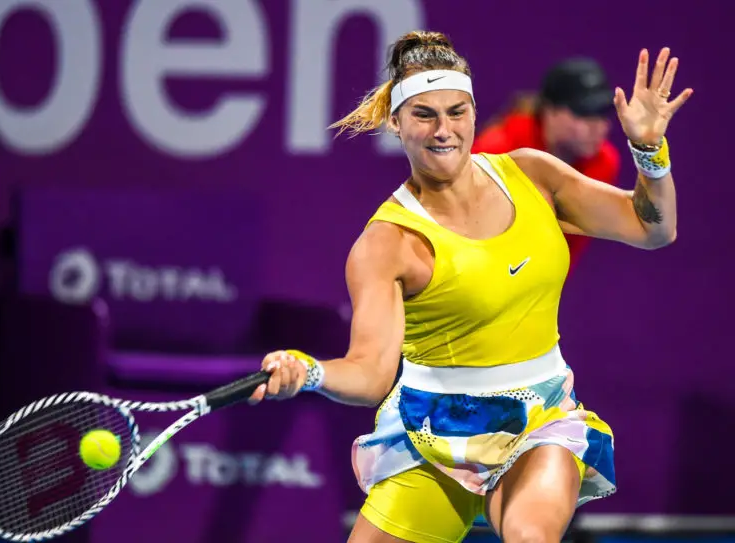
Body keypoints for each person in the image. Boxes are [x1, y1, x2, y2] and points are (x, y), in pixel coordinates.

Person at [248, 30, 692, 543]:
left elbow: (653, 229)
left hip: (539, 419)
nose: (444, 130)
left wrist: (648, 149)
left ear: (475, 113)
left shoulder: (533, 174)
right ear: (395, 122)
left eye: (457, 112)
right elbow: (370, 374)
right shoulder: (385, 244)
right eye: (424, 115)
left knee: (530, 535)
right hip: (431, 437)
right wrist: (309, 372)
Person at [471, 57, 621, 272]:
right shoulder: (495, 150)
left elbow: (566, 248)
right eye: (584, 113)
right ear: (550, 112)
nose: (598, 126)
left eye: (602, 113)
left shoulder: (603, 164)